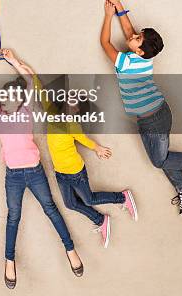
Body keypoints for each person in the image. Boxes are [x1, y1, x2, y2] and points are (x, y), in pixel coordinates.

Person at [100, 0, 182, 216]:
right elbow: (129, 32)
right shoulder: (146, 57)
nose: (133, 35)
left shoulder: (126, 62)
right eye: (137, 35)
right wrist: (118, 5)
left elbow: (104, 42)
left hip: (155, 119)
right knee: (162, 158)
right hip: (150, 119)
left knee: (159, 160)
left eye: (137, 38)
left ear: (139, 50)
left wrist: (108, 16)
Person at [0, 49, 83, 289]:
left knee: (51, 209)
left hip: (35, 172)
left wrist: (13, 60)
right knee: (13, 217)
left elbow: (30, 78)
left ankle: (70, 250)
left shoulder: (26, 111)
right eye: (5, 97)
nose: (9, 100)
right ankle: (9, 260)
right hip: (13, 176)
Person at [36, 80, 138, 248]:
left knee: (89, 199)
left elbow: (85, 140)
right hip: (60, 173)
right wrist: (24, 69)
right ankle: (101, 220)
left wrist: (98, 148)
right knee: (70, 204)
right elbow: (39, 90)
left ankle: (123, 197)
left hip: (76, 172)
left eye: (74, 105)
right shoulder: (51, 112)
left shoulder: (72, 126)